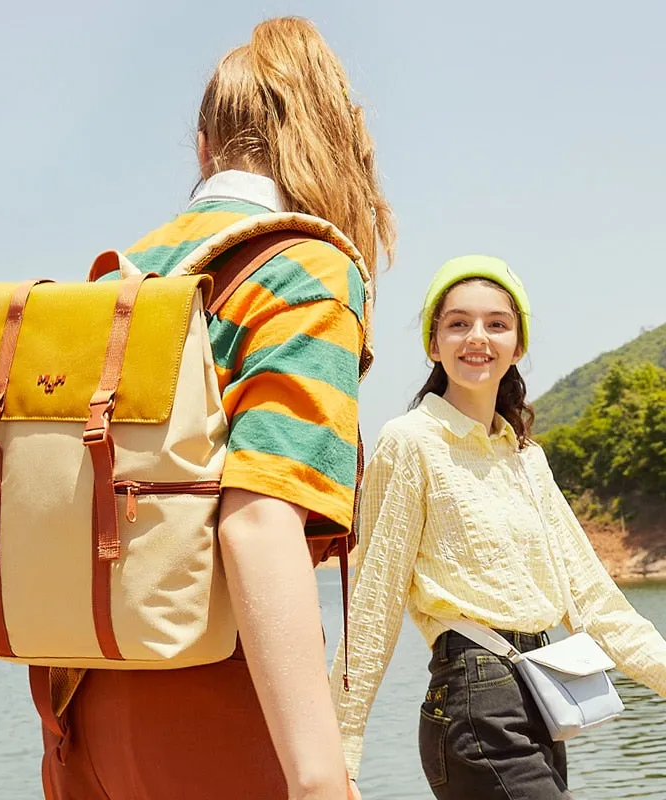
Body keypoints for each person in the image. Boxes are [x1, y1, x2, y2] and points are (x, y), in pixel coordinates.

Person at [34, 17, 395, 800]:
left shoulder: (123, 276)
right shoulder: (303, 267)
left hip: (77, 715)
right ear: (333, 141)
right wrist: (317, 777)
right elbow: (256, 519)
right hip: (216, 704)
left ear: (203, 148)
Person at [330, 255, 666, 799]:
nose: (477, 338)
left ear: (518, 344)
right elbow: (373, 603)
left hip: (543, 692)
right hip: (474, 704)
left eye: (497, 323)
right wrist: (338, 753)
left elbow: (595, 600)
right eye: (457, 323)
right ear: (433, 345)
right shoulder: (411, 441)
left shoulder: (525, 457)